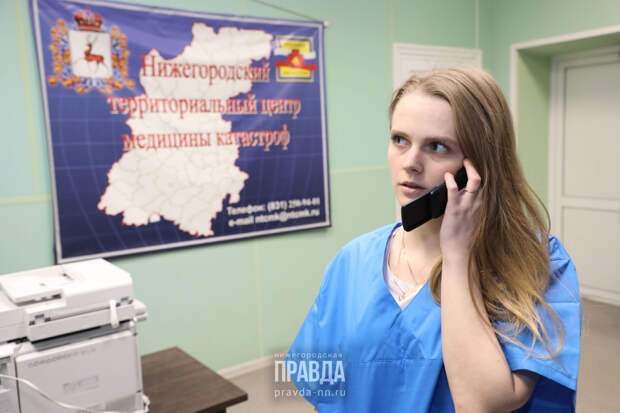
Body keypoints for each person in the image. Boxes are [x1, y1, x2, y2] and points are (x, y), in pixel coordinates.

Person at [285, 67, 581, 412]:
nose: (410, 163)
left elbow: (483, 403)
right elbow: (322, 387)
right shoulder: (353, 260)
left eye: (437, 146)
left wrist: (457, 256)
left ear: (481, 165)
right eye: (400, 140)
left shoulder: (536, 262)